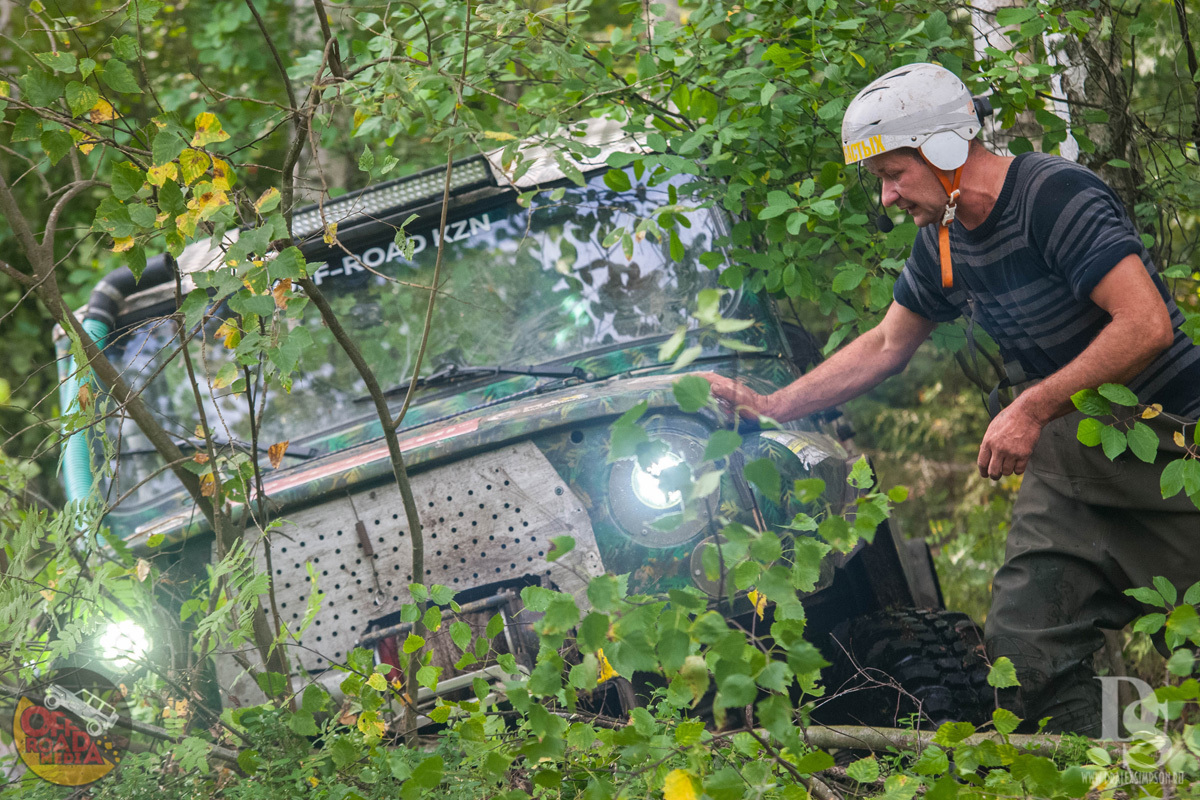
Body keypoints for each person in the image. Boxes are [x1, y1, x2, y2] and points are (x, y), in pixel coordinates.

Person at [705, 63, 1200, 735]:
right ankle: (1112, 772)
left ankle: (1176, 759)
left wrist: (1028, 408)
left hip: (1172, 440)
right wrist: (774, 406)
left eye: (891, 174)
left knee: (1192, 636)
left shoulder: (1053, 196)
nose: (885, 198)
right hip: (1073, 452)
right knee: (1025, 654)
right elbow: (885, 343)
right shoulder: (943, 237)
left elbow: (1144, 325)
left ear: (943, 148)